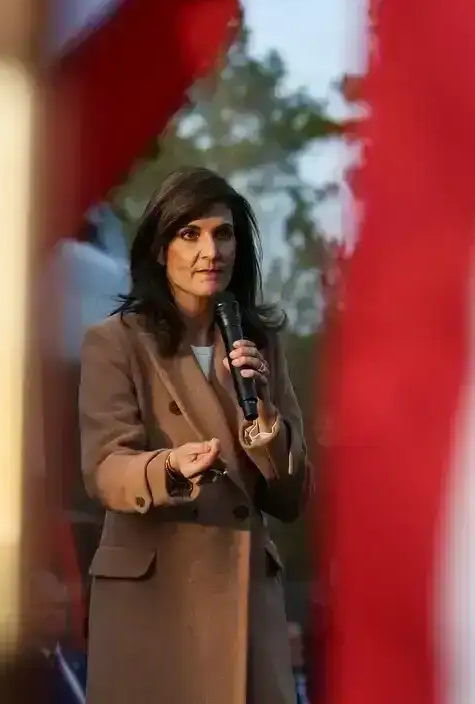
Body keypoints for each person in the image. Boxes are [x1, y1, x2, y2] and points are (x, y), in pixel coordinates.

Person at [78, 167, 309, 704]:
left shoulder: (262, 344)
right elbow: (105, 469)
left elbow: (292, 496)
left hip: (246, 610)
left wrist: (263, 413)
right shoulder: (114, 343)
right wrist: (169, 468)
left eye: (223, 233)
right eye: (191, 233)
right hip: (155, 609)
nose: (211, 250)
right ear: (161, 249)